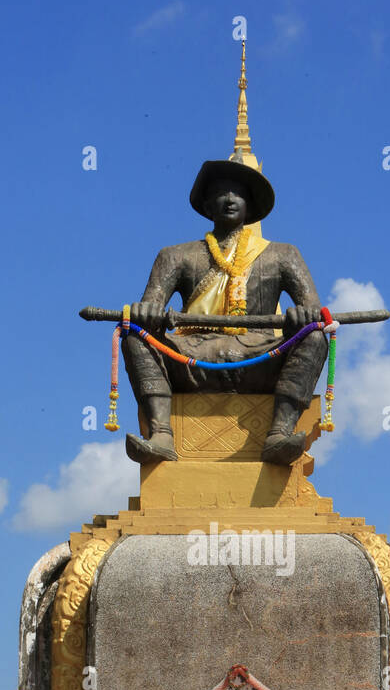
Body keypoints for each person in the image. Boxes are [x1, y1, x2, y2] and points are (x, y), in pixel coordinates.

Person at [121, 158, 328, 465]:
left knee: (316, 338)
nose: (230, 199)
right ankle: (161, 432)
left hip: (259, 358)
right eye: (221, 192)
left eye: (238, 193)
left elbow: (313, 310)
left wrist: (303, 319)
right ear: (207, 204)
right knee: (135, 338)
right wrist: (145, 315)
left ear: (251, 204)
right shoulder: (176, 256)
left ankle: (280, 433)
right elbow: (151, 305)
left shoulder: (284, 255)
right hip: (191, 358)